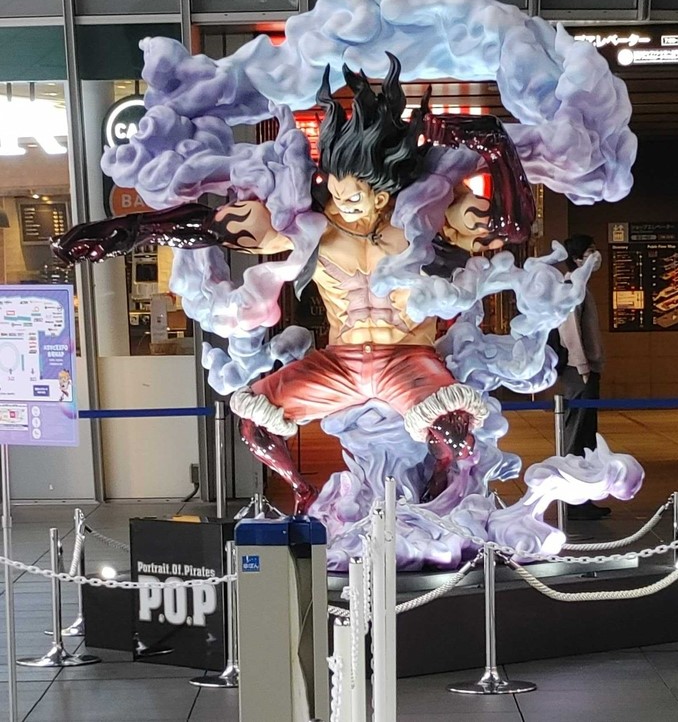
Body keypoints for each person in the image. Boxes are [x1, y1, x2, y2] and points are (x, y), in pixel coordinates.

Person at [51, 55, 533, 514]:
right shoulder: (310, 227)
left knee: (456, 435)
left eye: (356, 195)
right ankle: (303, 492)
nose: (344, 204)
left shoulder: (423, 220)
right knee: (255, 422)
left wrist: (494, 145)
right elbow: (210, 226)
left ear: (383, 190)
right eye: (338, 192)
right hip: (339, 361)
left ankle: (440, 493)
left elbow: (512, 227)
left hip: (409, 359)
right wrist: (124, 232)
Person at [558, 234, 611, 520]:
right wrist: (582, 366)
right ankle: (574, 503)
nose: (596, 255)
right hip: (579, 371)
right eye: (590, 251)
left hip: (585, 369)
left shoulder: (581, 287)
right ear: (577, 259)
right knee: (577, 437)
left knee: (586, 435)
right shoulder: (571, 288)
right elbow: (571, 333)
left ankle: (584, 499)